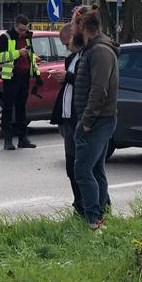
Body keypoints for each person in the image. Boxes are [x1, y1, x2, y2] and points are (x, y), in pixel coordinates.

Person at [72, 4, 119, 230]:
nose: (73, 29)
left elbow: (99, 90)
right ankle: (102, 216)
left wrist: (87, 122)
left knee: (82, 170)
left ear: (84, 26)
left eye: (76, 24)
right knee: (96, 169)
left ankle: (93, 220)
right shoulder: (92, 48)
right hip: (98, 119)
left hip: (97, 121)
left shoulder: (100, 51)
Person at [49, 22, 84, 217]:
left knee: (82, 168)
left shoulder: (87, 57)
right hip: (67, 118)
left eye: (66, 43)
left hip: (78, 118)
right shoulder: (72, 58)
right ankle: (78, 204)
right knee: (71, 167)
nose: (66, 47)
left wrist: (67, 77)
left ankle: (88, 208)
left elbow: (84, 81)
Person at [0, 14, 42, 150]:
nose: (23, 32)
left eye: (25, 29)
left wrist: (37, 75)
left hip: (24, 76)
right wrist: (18, 53)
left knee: (22, 108)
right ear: (15, 26)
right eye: (21, 29)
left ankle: (23, 138)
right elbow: (0, 57)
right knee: (9, 108)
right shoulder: (6, 37)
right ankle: (8, 139)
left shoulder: (28, 37)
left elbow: (32, 57)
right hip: (11, 77)